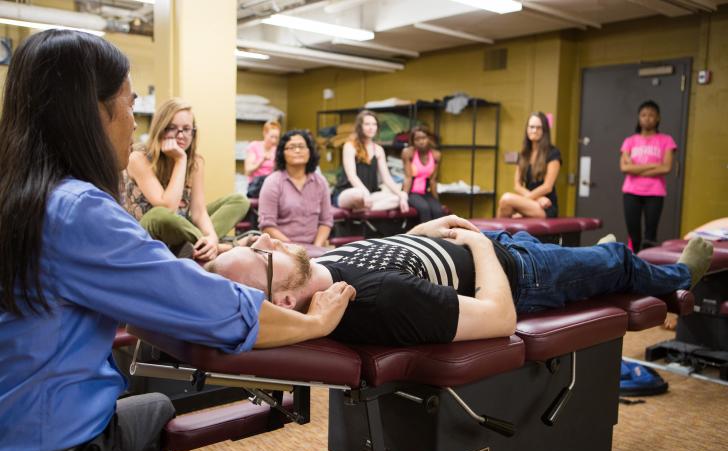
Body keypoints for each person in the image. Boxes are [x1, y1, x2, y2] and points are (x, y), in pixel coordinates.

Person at [0, 30, 354, 451]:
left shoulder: (22, 194)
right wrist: (314, 324)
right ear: (91, 113)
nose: (134, 122)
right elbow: (209, 306)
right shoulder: (77, 211)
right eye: (129, 105)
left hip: (24, 427)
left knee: (156, 409)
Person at [211, 216, 713, 347]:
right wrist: (477, 245)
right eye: (262, 256)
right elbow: (500, 318)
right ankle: (680, 273)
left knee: (583, 256)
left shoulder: (322, 267)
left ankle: (592, 264)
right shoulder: (377, 302)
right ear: (285, 298)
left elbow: (391, 256)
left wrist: (421, 233)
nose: (269, 242)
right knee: (620, 263)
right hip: (519, 275)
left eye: (254, 242)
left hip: (494, 247)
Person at [125, 98, 250, 262]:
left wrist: (211, 237)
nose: (181, 135)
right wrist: (180, 160)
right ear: (160, 129)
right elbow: (168, 207)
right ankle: (216, 248)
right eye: (173, 128)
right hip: (147, 233)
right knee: (160, 214)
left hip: (181, 228)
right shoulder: (138, 158)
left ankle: (206, 246)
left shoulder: (196, 162)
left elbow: (198, 212)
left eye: (187, 129)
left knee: (239, 201)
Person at [257, 130, 333, 256]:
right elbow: (267, 225)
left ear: (309, 151)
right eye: (291, 147)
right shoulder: (273, 182)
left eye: (301, 146)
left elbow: (326, 222)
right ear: (282, 153)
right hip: (281, 250)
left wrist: (316, 248)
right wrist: (293, 250)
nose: (297, 150)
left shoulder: (320, 182)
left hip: (314, 249)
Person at [620, 100, 677, 252]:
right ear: (639, 117)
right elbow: (624, 167)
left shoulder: (667, 140)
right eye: (644, 115)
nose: (647, 118)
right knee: (634, 235)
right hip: (631, 192)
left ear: (658, 118)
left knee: (650, 236)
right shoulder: (629, 141)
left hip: (655, 192)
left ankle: (647, 267)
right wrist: (654, 165)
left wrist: (636, 168)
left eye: (651, 115)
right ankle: (632, 264)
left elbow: (666, 167)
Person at [331, 110, 409, 212]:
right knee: (358, 195)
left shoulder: (379, 149)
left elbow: (387, 179)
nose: (371, 127)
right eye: (367, 124)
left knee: (399, 198)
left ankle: (361, 210)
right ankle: (364, 207)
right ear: (360, 127)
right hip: (348, 193)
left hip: (370, 195)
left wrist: (402, 195)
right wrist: (364, 192)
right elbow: (352, 176)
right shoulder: (350, 146)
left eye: (374, 124)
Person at [497, 112, 561, 218]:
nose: (534, 130)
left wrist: (528, 199)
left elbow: (547, 187)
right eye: (531, 127)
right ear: (527, 129)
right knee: (505, 207)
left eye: (538, 128)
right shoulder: (523, 154)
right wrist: (537, 198)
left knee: (506, 199)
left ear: (544, 130)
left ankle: (493, 235)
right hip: (536, 201)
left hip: (546, 206)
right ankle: (500, 235)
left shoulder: (553, 153)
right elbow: (517, 185)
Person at [401, 126, 445, 223]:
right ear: (413, 141)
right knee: (424, 208)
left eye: (424, 138)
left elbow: (433, 180)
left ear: (429, 138)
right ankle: (425, 237)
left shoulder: (436, 155)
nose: (421, 142)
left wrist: (437, 201)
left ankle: (438, 237)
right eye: (417, 139)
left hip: (426, 193)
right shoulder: (408, 153)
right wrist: (403, 197)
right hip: (411, 192)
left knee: (438, 210)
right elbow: (408, 177)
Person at [244, 120, 281, 198]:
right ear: (265, 133)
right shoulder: (254, 146)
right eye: (272, 137)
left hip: (271, 185)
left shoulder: (277, 150)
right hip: (256, 185)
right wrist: (261, 161)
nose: (274, 140)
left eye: (276, 137)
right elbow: (248, 171)